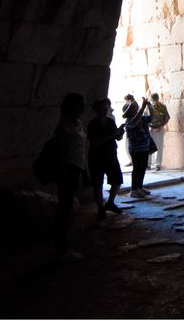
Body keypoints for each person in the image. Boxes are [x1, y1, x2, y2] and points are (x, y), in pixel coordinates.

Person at [54, 92, 89, 259]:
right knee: (65, 207)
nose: (83, 106)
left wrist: (84, 169)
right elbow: (61, 153)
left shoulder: (77, 123)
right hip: (68, 170)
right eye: (80, 103)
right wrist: (63, 175)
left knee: (68, 207)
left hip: (76, 168)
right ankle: (61, 247)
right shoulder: (65, 126)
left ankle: (63, 244)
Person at [87, 98, 126, 220]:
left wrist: (120, 133)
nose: (106, 109)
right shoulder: (93, 124)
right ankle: (100, 208)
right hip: (97, 156)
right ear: (97, 109)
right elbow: (94, 143)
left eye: (107, 107)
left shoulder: (110, 121)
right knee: (98, 183)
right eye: (104, 107)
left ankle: (110, 202)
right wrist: (113, 135)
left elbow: (117, 138)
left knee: (117, 180)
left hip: (110, 155)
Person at [123, 96, 154, 198]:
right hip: (136, 149)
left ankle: (139, 187)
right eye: (134, 109)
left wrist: (149, 105)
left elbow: (152, 117)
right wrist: (143, 107)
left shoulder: (141, 119)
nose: (136, 110)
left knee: (143, 168)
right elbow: (135, 120)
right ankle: (134, 189)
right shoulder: (129, 122)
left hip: (144, 147)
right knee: (137, 169)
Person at [147, 93, 170, 171]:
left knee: (159, 146)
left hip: (160, 128)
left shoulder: (163, 107)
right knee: (149, 146)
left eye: (155, 100)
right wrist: (150, 127)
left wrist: (160, 126)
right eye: (153, 100)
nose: (154, 102)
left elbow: (166, 118)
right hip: (150, 129)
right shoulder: (148, 107)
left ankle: (158, 164)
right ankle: (148, 164)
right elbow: (145, 118)